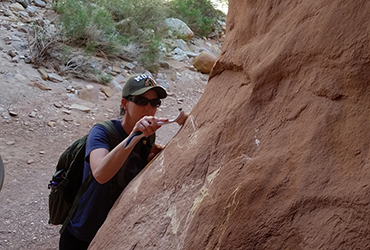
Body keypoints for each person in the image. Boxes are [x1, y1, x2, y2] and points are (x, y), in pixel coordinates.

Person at [59, 74, 168, 250]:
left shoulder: (147, 135)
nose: (149, 107)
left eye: (154, 103)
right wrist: (134, 136)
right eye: (141, 100)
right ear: (125, 104)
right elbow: (100, 174)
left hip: (115, 231)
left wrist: (149, 160)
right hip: (83, 231)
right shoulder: (102, 132)